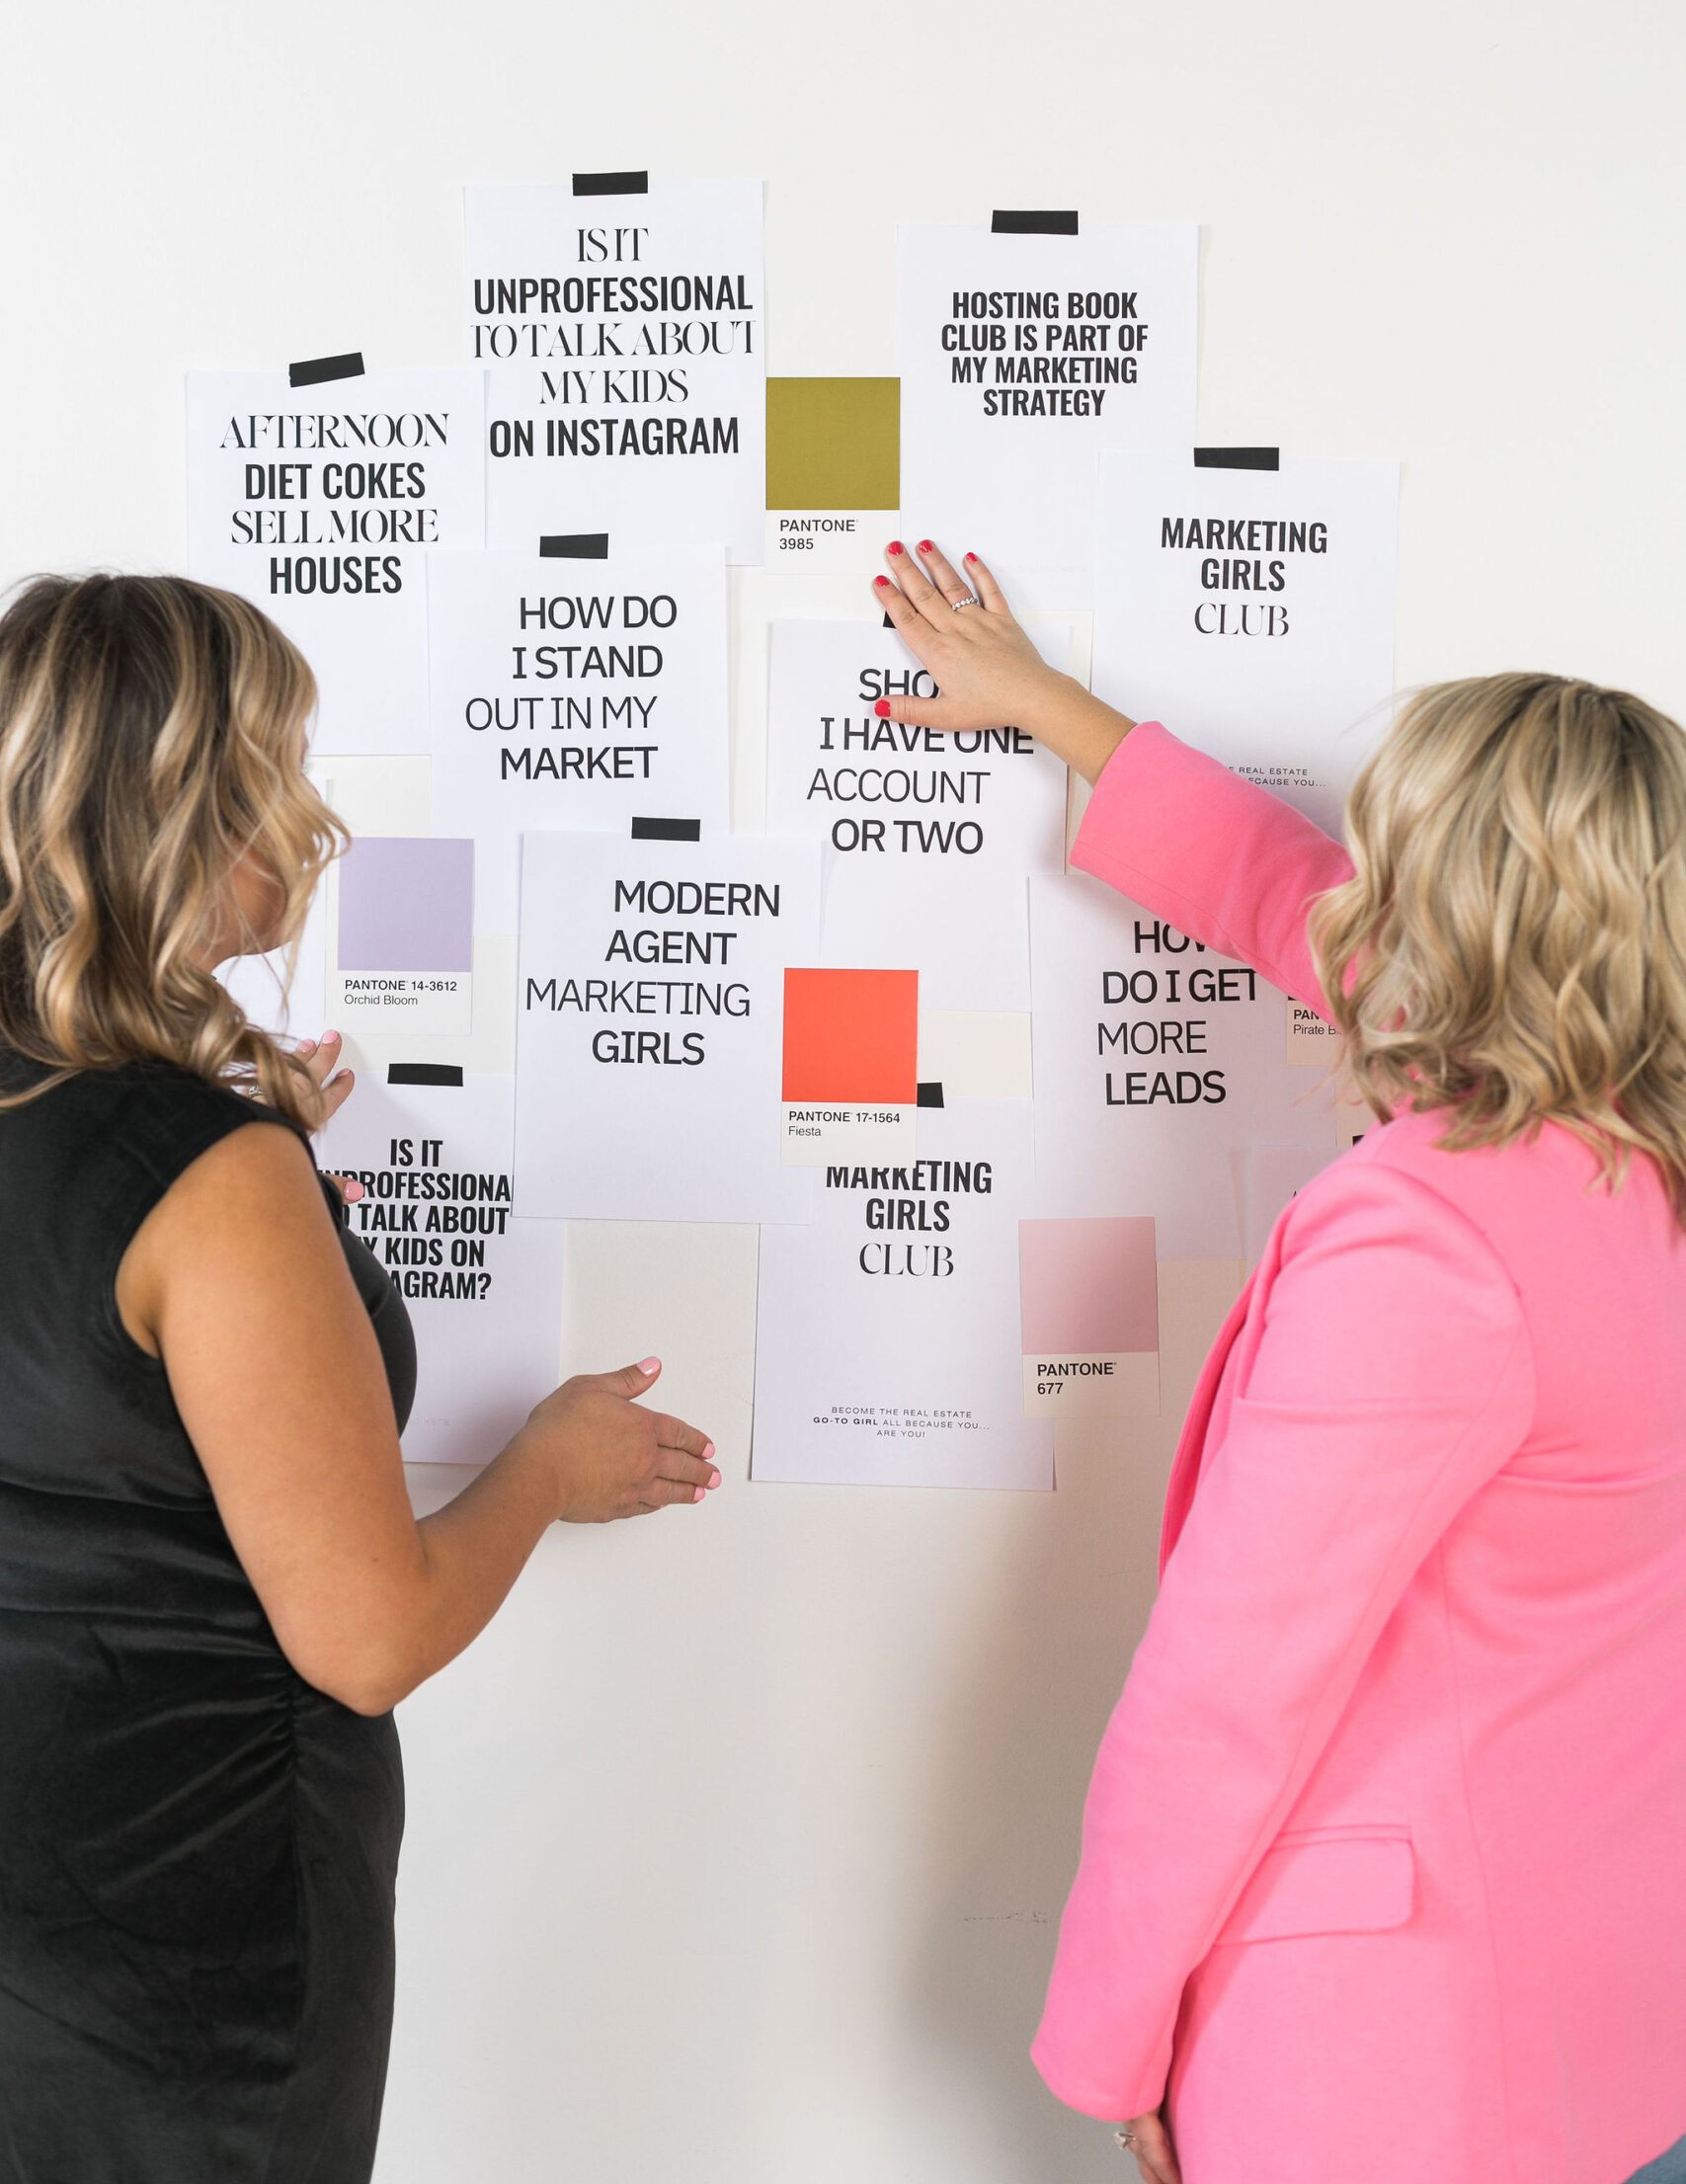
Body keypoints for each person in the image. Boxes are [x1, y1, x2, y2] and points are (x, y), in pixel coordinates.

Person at [873, 537, 1686, 2184]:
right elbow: (1286, 897)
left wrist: (1111, 2036)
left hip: (1410, 2070)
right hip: (1615, 2025)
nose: (1351, 898)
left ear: (1440, 923)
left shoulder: (1432, 1245)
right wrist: (1048, 707)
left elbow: (1226, 1694)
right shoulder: (1638, 1177)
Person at [0, 573, 720, 2184]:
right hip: (179, 1959)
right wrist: (546, 1462)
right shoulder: (206, 1176)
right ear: (178, 808)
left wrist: (252, 1173)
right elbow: (370, 1637)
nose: (312, 818)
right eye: (279, 766)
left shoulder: (152, 1142)